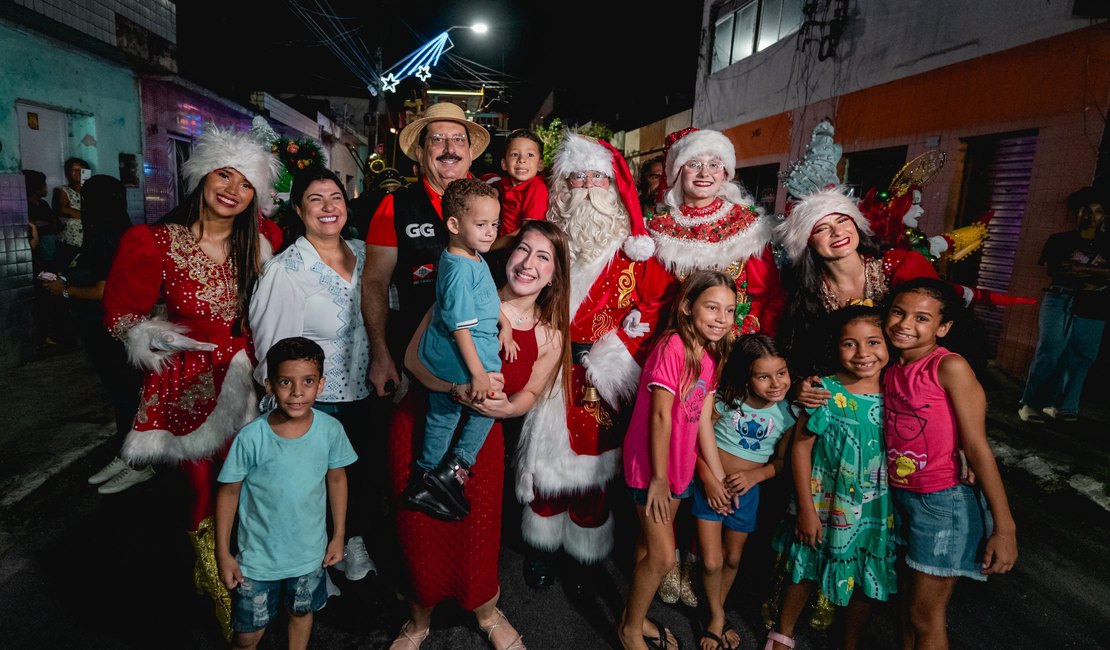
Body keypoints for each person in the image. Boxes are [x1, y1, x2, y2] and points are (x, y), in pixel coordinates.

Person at [102, 125, 282, 637]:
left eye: (246, 183)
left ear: (256, 196)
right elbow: (121, 315)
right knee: (205, 489)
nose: (232, 189)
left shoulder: (266, 240)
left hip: (256, 381)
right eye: (224, 174)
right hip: (190, 381)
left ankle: (257, 576)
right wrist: (157, 339)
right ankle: (221, 586)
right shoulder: (154, 241)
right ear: (203, 175)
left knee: (254, 481)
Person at [387, 219, 569, 650]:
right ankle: (417, 621)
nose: (528, 263)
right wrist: (454, 388)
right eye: (523, 249)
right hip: (421, 425)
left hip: (482, 445)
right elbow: (412, 360)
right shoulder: (466, 295)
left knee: (479, 535)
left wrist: (506, 408)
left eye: (543, 256)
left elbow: (529, 393)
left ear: (555, 273)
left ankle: (487, 613)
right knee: (418, 529)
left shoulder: (551, 335)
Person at [515, 131, 671, 591]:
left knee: (594, 466)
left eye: (596, 179)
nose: (585, 188)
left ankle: (583, 550)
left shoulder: (637, 253)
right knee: (543, 460)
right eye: (575, 178)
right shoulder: (547, 242)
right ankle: (542, 545)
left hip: (602, 375)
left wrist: (613, 351)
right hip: (549, 367)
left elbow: (657, 307)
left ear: (613, 188)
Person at [249, 166, 374, 581]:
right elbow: (271, 347)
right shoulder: (285, 270)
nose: (327, 207)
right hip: (316, 402)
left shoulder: (367, 252)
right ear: (300, 212)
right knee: (309, 488)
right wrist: (288, 403)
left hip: (367, 392)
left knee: (356, 479)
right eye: (315, 200)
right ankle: (311, 566)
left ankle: (350, 543)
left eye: (335, 197)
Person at [882, 278, 1018, 649]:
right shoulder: (890, 367)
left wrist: (1004, 529)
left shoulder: (949, 367)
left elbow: (977, 447)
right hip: (901, 498)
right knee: (905, 610)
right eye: (898, 312)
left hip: (943, 503)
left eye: (922, 318)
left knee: (925, 617)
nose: (905, 324)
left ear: (943, 328)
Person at [766, 306, 896, 650]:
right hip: (823, 502)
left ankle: (850, 642)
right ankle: (783, 634)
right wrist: (806, 510)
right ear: (835, 347)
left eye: (873, 342)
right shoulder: (824, 390)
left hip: (872, 510)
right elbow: (800, 449)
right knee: (804, 566)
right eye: (850, 344)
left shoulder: (897, 391)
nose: (863, 354)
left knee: (866, 574)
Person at [215, 337, 357, 650]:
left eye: (307, 381)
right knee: (248, 635)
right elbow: (228, 493)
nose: (296, 393)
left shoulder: (330, 430)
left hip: (308, 555)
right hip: (257, 560)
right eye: (285, 382)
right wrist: (223, 553)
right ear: (269, 385)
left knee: (301, 612)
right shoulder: (251, 437)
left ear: (320, 385)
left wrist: (338, 535)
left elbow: (336, 480)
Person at [619, 270, 735, 650]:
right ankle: (630, 631)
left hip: (680, 469)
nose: (722, 317)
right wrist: (656, 478)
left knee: (646, 546)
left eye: (730, 310)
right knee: (663, 557)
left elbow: (702, 417)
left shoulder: (710, 352)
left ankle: (633, 616)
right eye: (712, 307)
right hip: (651, 469)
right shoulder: (673, 346)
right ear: (688, 307)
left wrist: (715, 476)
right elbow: (660, 415)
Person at [362, 101, 490, 399]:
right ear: (420, 153)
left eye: (459, 139)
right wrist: (381, 355)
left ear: (470, 154)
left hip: (486, 360)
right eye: (437, 139)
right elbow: (374, 282)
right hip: (417, 360)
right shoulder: (393, 206)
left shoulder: (495, 201)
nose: (450, 148)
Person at [40, 175, 149, 494]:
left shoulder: (109, 238)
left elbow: (106, 290)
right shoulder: (111, 233)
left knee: (128, 396)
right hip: (107, 330)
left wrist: (64, 289)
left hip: (113, 331)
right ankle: (128, 455)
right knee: (123, 396)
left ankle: (139, 462)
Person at [404, 178, 505, 520]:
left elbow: (482, 304)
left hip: (468, 356)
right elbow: (460, 325)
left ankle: (433, 476)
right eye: (481, 225)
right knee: (470, 411)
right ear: (453, 224)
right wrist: (477, 374)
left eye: (495, 224)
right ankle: (441, 472)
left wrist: (503, 324)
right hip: (461, 363)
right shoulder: (460, 268)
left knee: (445, 416)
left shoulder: (469, 255)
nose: (490, 232)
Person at [694, 334, 793, 650]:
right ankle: (717, 618)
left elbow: (781, 462)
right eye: (764, 376)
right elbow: (696, 439)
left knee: (733, 557)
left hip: (747, 493)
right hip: (711, 486)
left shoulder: (788, 414)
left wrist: (754, 476)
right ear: (747, 378)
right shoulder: (726, 400)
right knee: (711, 561)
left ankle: (715, 614)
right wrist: (709, 479)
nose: (776, 383)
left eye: (782, 373)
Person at [647, 128, 785, 337]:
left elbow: (768, 293)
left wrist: (748, 339)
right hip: (680, 343)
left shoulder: (747, 224)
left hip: (737, 343)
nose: (705, 173)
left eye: (714, 165)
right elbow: (655, 299)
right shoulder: (658, 229)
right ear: (678, 171)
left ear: (725, 172)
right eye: (694, 165)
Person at [1018, 187, 1109, 423]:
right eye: (1086, 210)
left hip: (1095, 303)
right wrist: (1098, 274)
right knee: (1050, 351)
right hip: (1060, 298)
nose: (1091, 216)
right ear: (1077, 213)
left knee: (1082, 357)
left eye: (1098, 212)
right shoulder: (1060, 240)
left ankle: (1066, 407)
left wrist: (1081, 269)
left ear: (1104, 216)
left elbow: (1073, 270)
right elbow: (1058, 270)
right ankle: (1031, 404)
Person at [493, 129, 548, 250]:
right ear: (504, 164)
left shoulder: (536, 187)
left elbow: (530, 230)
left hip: (521, 249)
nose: (522, 160)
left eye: (530, 155)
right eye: (514, 154)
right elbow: (493, 188)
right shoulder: (505, 183)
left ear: (540, 165)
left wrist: (491, 247)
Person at [54, 157, 91, 269]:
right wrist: (88, 217)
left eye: (81, 170)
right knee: (66, 271)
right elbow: (63, 209)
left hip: (89, 241)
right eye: (74, 170)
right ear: (68, 172)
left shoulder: (93, 191)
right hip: (69, 242)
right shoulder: (62, 190)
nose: (78, 173)